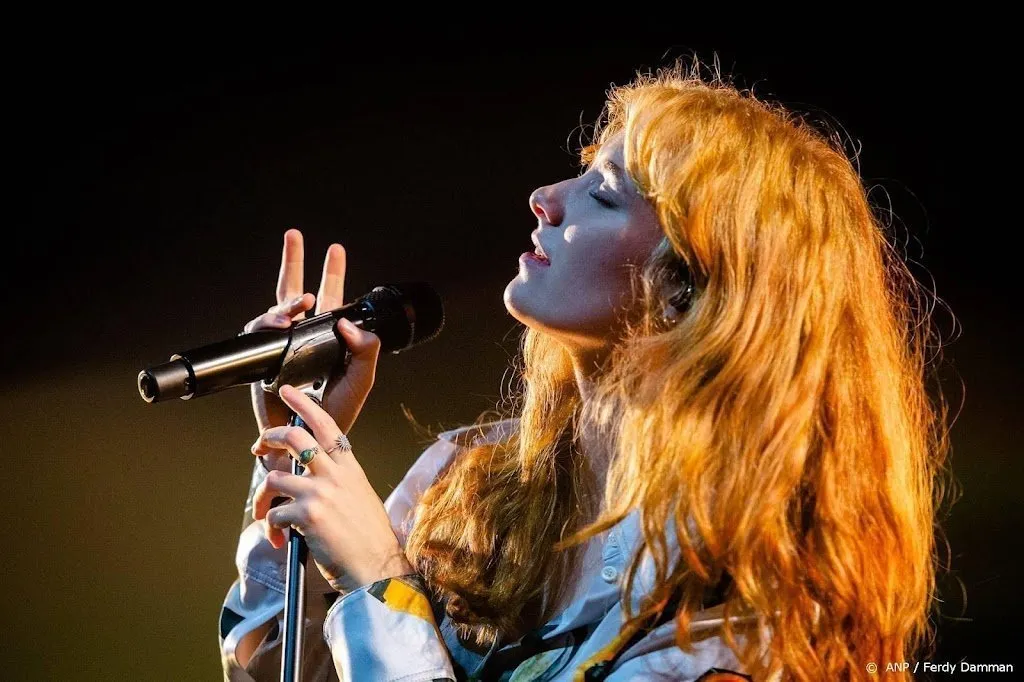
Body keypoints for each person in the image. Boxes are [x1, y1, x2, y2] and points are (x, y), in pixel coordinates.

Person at [218, 60, 948, 681]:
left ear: (692, 288)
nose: (545, 198)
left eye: (603, 192)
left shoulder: (743, 615)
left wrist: (380, 584)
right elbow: (279, 665)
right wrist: (296, 453)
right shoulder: (461, 481)